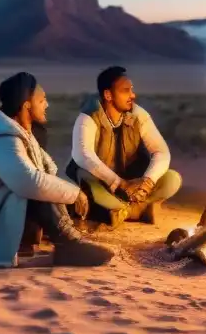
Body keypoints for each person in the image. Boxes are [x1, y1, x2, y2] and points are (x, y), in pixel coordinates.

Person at [0, 72, 113, 268]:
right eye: (42, 100)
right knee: (32, 186)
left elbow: (49, 174)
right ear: (27, 104)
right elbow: (29, 182)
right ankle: (68, 244)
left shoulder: (23, 136)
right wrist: (75, 194)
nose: (47, 105)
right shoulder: (3, 140)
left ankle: (62, 240)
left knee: (49, 185)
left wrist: (75, 193)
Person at [66, 66, 182, 227]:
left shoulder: (138, 115)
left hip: (134, 183)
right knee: (90, 184)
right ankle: (136, 210)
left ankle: (123, 211)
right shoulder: (88, 117)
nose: (132, 95)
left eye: (132, 90)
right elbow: (83, 155)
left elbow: (161, 152)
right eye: (125, 91)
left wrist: (146, 182)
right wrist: (119, 183)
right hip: (103, 184)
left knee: (172, 179)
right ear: (108, 95)